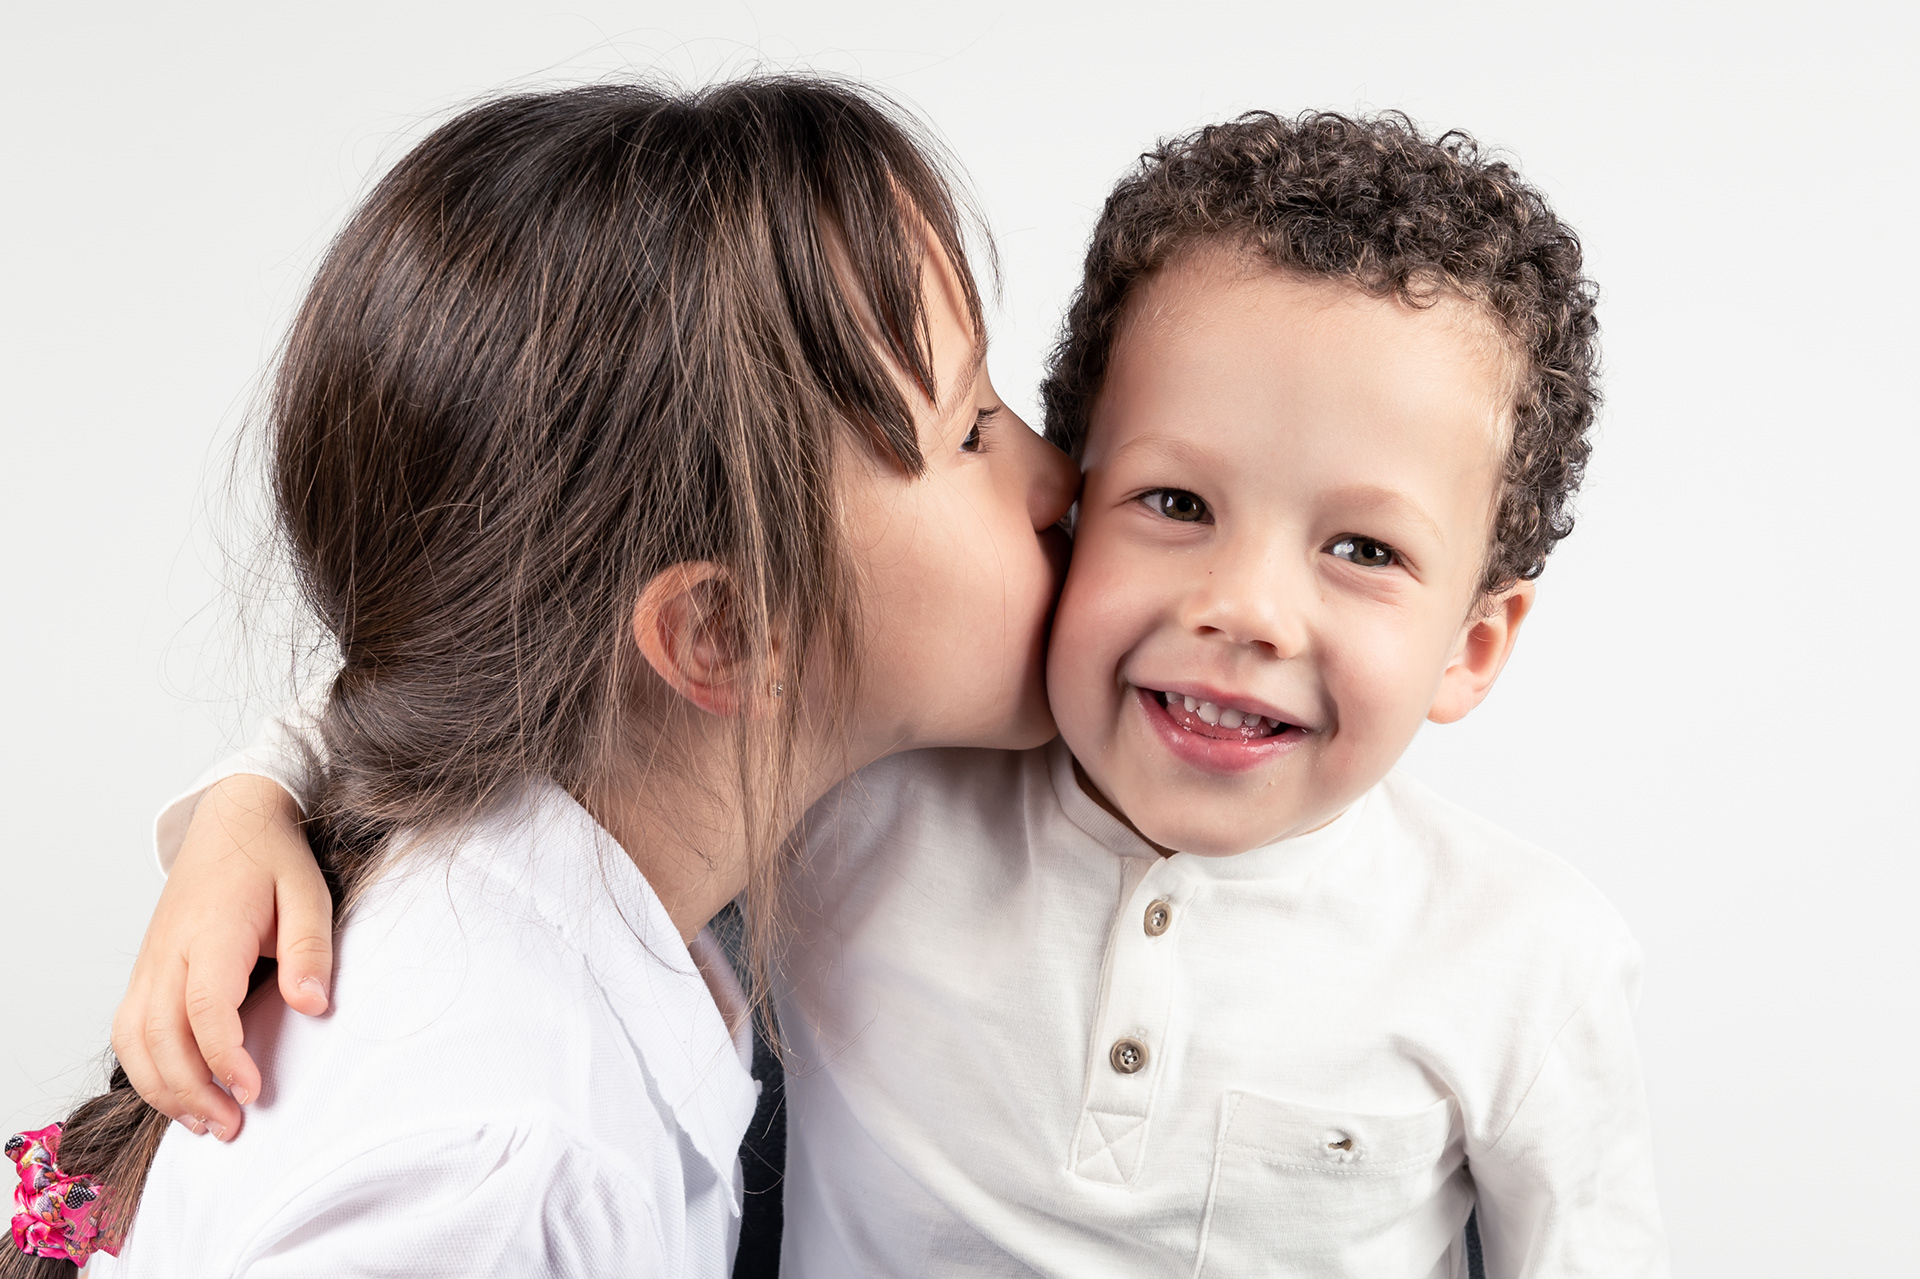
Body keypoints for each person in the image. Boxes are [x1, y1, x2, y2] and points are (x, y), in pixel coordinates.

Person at [95, 112, 1667, 1277]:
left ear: (1476, 638)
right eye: (1166, 502)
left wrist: (246, 805)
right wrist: (251, 802)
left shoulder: (1526, 959)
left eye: (1364, 547)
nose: (1242, 608)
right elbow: (517, 650)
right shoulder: (852, 806)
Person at [2, 76, 1076, 1278]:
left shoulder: (569, 911)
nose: (1061, 479)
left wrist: (248, 791)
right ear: (724, 634)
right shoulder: (500, 1171)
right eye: (972, 431)